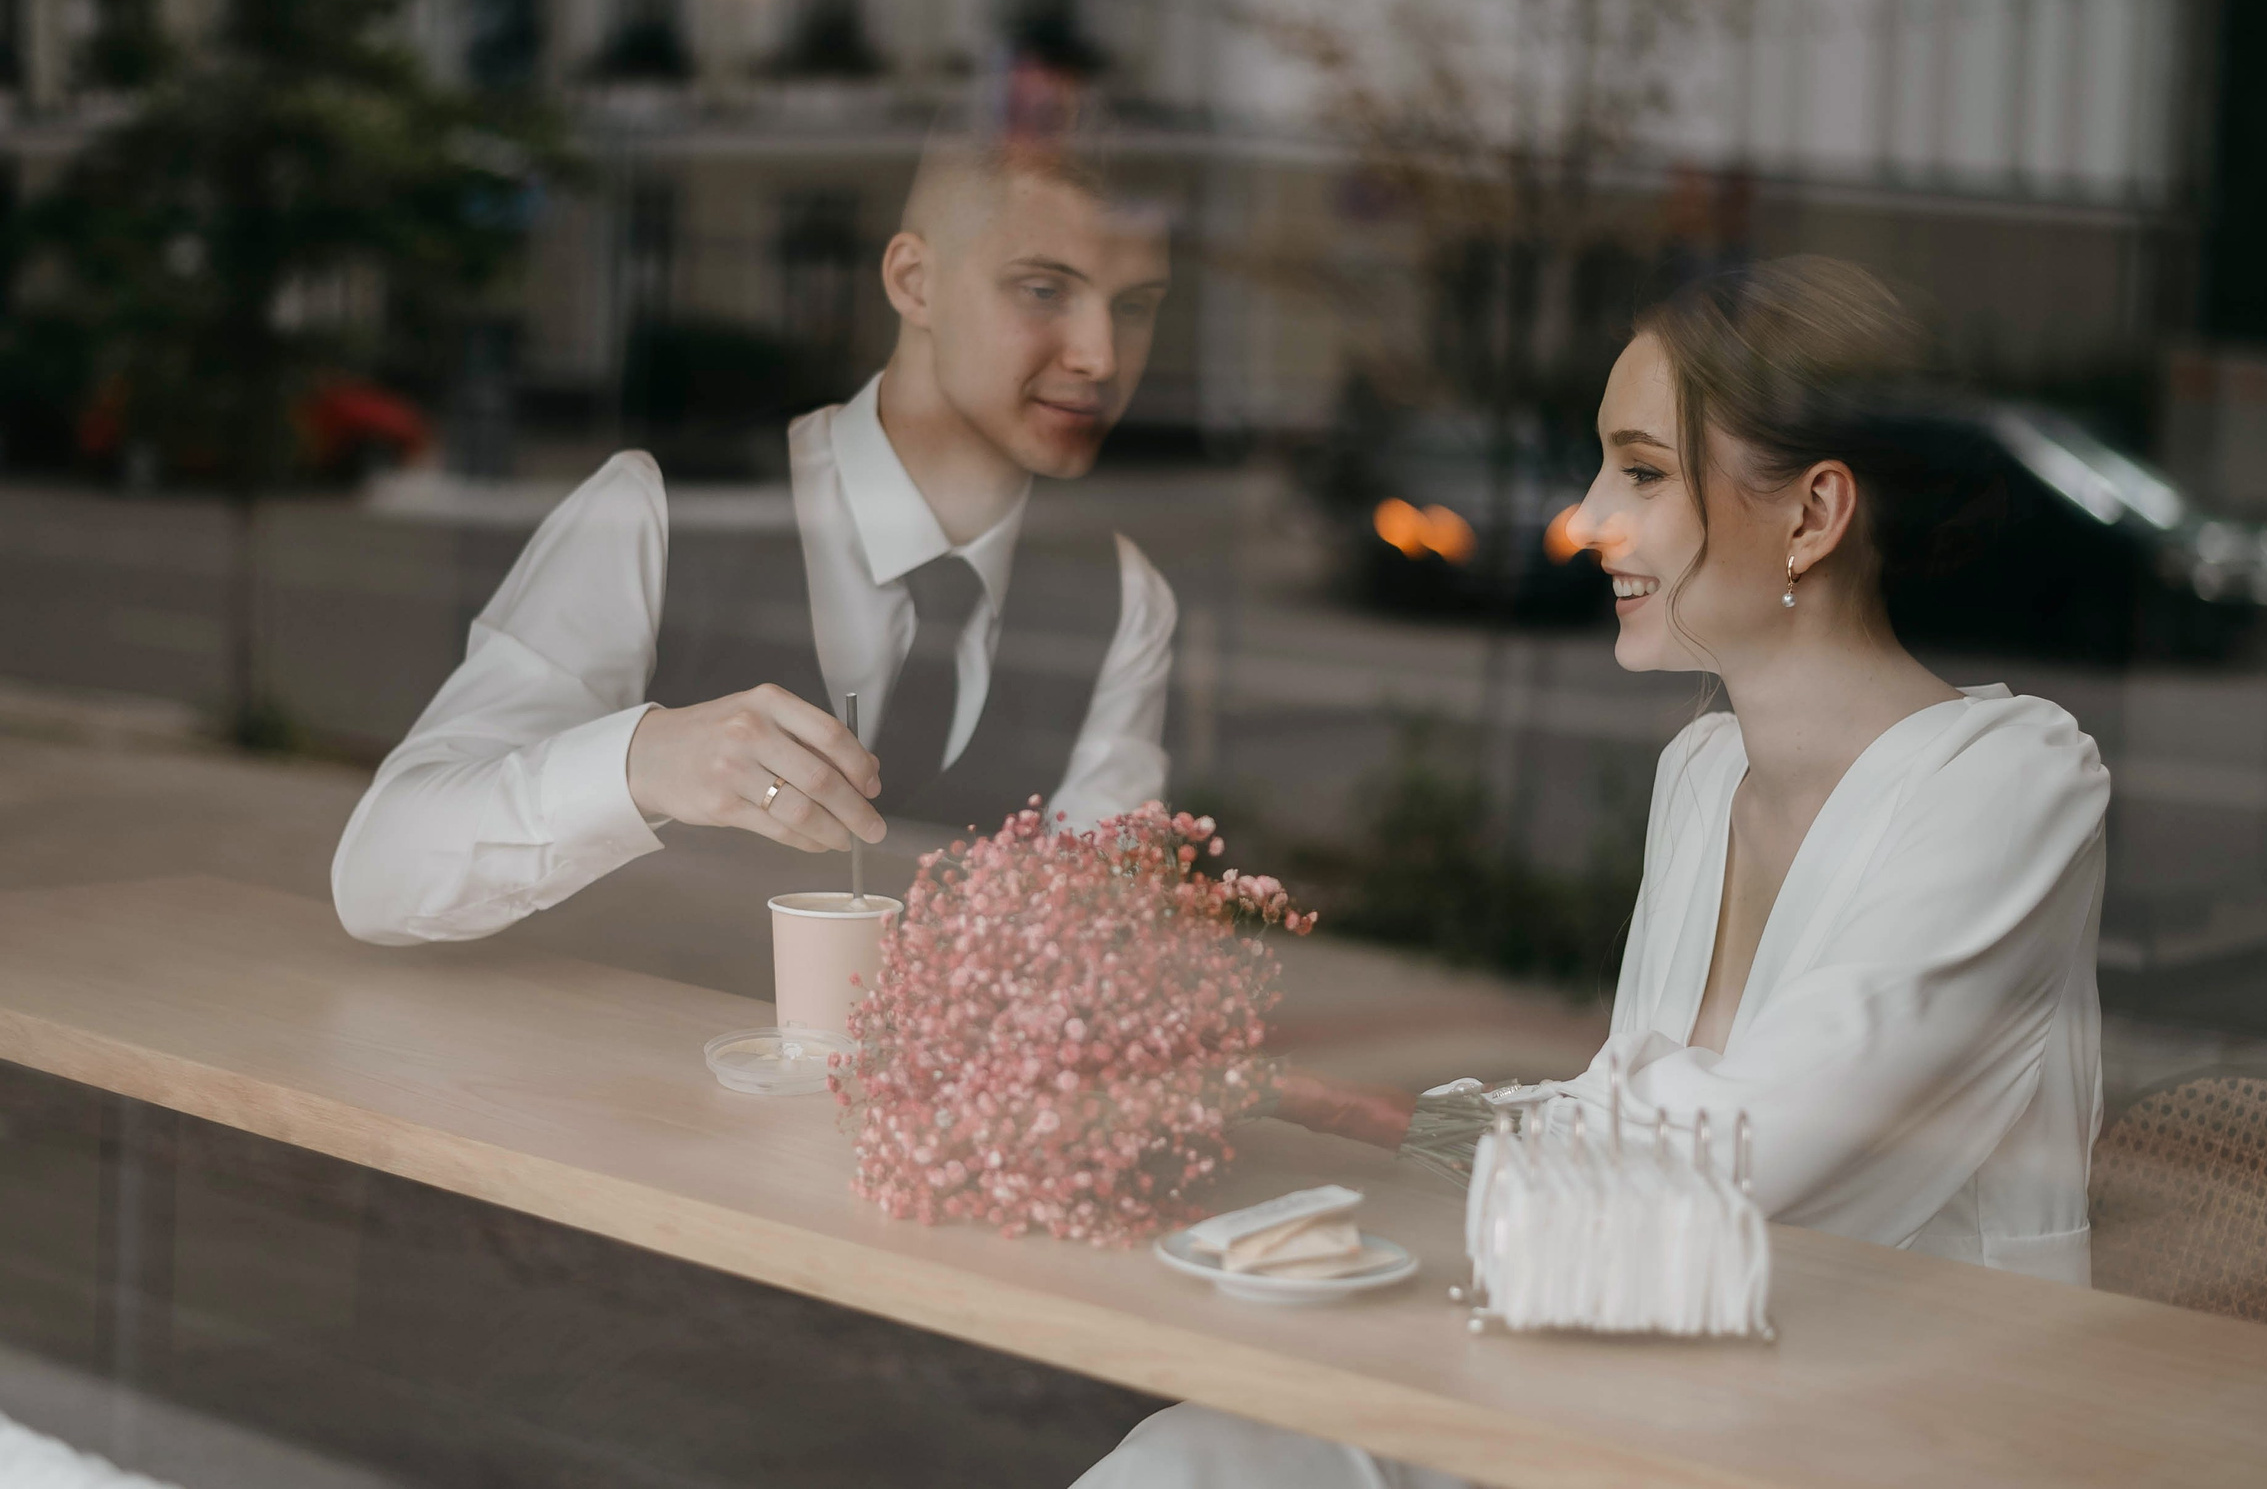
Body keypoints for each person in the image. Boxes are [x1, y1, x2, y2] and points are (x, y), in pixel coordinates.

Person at [1075, 256, 2110, 1488]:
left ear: (1813, 515)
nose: (1585, 517)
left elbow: (1746, 1150)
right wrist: (1365, 1112)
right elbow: (1632, 1129)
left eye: (1642, 472)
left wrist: (1449, 1131)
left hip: (1879, 1441)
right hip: (1638, 1393)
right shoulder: (1704, 773)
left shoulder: (2009, 783)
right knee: (1187, 1454)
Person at [333, 107, 1178, 946]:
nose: (1100, 357)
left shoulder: (1121, 597)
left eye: (1135, 307)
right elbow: (378, 876)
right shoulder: (659, 513)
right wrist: (640, 763)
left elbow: (1103, 941)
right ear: (915, 282)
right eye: (1043, 290)